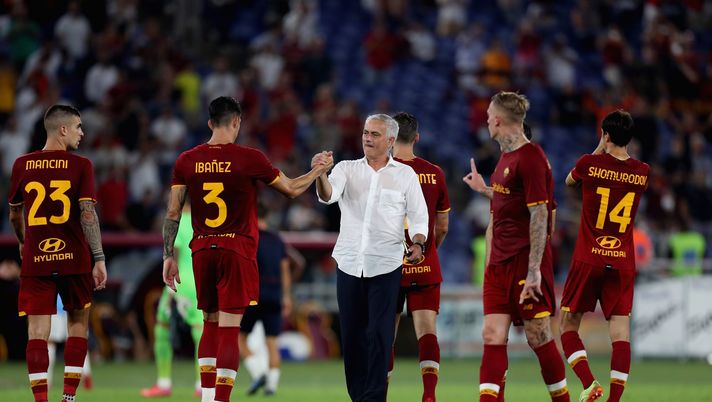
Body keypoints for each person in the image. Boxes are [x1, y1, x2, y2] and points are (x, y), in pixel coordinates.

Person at [161, 96, 332, 402]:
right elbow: (292, 189)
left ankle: (207, 398)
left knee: (209, 324)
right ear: (236, 122)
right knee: (229, 330)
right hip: (235, 250)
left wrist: (167, 256)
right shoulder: (249, 158)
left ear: (210, 122)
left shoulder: (186, 160)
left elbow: (173, 213)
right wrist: (318, 171)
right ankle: (221, 399)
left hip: (202, 251)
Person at [314, 113, 429, 402]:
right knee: (352, 338)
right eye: (366, 132)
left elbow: (419, 217)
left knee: (379, 336)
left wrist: (417, 244)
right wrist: (320, 174)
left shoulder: (405, 175)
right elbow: (328, 196)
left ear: (391, 140)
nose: (367, 138)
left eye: (375, 134)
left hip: (386, 265)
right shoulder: (346, 169)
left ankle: (375, 398)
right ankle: (358, 397)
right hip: (350, 264)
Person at [463, 92, 570, 402]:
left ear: (497, 120)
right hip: (498, 264)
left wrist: (535, 269)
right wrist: (485, 190)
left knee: (538, 336)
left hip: (525, 262)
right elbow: (510, 201)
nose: (485, 121)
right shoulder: (504, 159)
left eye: (487, 117)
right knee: (492, 335)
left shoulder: (532, 157)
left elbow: (540, 214)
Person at [8, 104, 107, 402]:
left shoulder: (21, 164)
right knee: (78, 328)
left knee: (37, 333)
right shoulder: (81, 166)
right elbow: (87, 213)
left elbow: (15, 215)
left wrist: (25, 242)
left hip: (37, 259)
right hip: (74, 258)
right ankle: (68, 399)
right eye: (78, 126)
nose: (82, 132)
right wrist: (99, 257)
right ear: (62, 129)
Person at [559, 110, 650, 402]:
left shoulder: (588, 164)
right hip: (622, 261)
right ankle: (614, 400)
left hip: (589, 258)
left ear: (606, 135)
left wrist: (600, 147)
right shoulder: (642, 172)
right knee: (621, 334)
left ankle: (588, 382)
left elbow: (569, 182)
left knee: (568, 326)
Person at [388, 112, 450, 402]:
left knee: (385, 333)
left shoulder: (381, 171)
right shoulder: (434, 172)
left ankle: (380, 395)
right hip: (425, 263)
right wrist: (427, 250)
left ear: (390, 137)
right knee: (427, 331)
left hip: (389, 265)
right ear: (417, 138)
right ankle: (428, 396)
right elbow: (443, 226)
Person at [142, 203, 203, 397]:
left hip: (180, 282)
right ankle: (202, 385)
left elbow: (174, 255)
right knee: (201, 332)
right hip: (200, 282)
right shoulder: (203, 220)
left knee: (161, 327)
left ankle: (164, 383)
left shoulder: (176, 222)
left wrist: (170, 289)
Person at [239, 202, 298, 396]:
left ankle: (259, 373)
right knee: (272, 342)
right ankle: (271, 387)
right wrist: (286, 297)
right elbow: (285, 270)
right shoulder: (277, 239)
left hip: (253, 294)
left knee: (239, 338)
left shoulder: (248, 239)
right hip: (275, 294)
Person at [48, 297, 93, 391]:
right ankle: (87, 377)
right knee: (79, 341)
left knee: (51, 343)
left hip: (56, 307)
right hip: (73, 303)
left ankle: (47, 381)